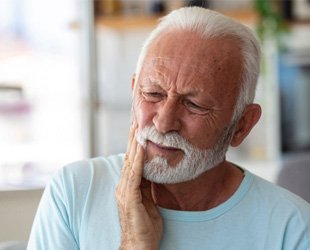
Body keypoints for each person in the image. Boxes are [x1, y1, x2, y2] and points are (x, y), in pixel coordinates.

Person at [27, 7, 310, 250]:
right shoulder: (75, 191)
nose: (163, 123)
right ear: (133, 90)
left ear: (242, 125)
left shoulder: (293, 227)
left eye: (194, 105)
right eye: (152, 94)